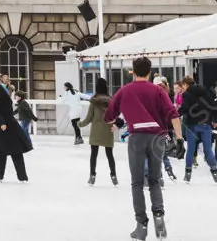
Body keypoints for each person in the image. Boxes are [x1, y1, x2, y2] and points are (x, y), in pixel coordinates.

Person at [105, 56, 182, 240]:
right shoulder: (158, 91)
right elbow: (173, 114)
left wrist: (118, 120)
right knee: (155, 180)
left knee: (137, 183)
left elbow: (109, 116)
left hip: (137, 138)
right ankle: (159, 215)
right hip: (158, 137)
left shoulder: (124, 91)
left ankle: (141, 225)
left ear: (133, 71)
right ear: (150, 72)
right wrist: (179, 138)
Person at [177, 75, 217, 183]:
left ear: (186, 84)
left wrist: (176, 113)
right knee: (208, 149)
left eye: (183, 86)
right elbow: (213, 105)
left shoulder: (187, 94)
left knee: (191, 149)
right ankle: (215, 171)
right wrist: (215, 120)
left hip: (192, 125)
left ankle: (188, 173)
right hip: (206, 124)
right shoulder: (205, 91)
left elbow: (184, 108)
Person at [0, 83, 31, 182]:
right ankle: (18, 176)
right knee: (10, 153)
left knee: (6, 153)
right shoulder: (4, 101)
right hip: (9, 129)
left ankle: (3, 176)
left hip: (4, 130)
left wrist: (2, 123)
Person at [79, 77, 117, 186]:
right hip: (108, 130)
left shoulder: (94, 102)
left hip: (96, 131)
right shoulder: (111, 101)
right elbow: (115, 116)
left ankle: (92, 175)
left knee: (93, 154)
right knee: (110, 154)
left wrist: (79, 124)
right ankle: (113, 175)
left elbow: (89, 118)